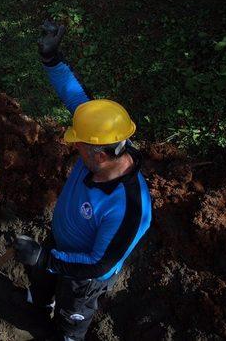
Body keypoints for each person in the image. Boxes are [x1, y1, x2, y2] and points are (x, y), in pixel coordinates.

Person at [11, 21, 152, 341]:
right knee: (42, 282)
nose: (74, 146)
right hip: (58, 244)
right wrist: (51, 57)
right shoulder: (105, 137)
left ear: (99, 155)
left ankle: (67, 333)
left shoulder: (128, 208)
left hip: (84, 275)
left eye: (79, 145)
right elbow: (76, 97)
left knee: (71, 313)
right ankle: (37, 305)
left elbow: (98, 265)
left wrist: (44, 258)